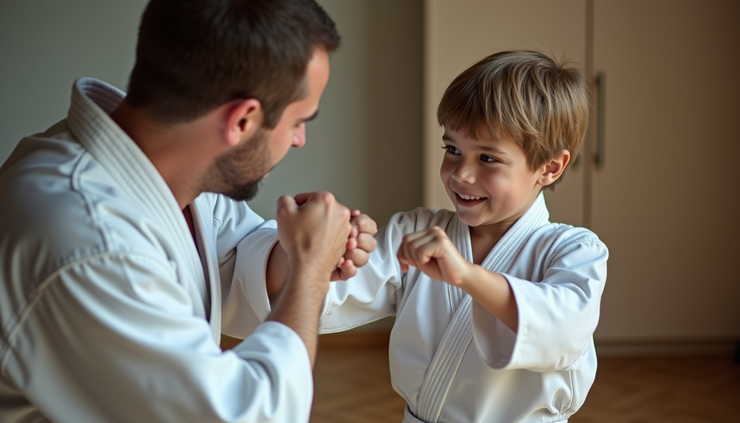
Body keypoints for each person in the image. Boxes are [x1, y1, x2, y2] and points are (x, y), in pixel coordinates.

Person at [0, 0, 378, 422]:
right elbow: (249, 415)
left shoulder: (165, 163)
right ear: (242, 121)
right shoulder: (91, 244)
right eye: (297, 121)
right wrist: (309, 272)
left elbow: (224, 257)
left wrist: (292, 256)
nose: (299, 140)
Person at [252, 50, 609, 422]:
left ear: (549, 168)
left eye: (487, 158)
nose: (461, 174)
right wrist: (327, 251)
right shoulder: (419, 232)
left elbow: (563, 330)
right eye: (453, 149)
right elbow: (333, 295)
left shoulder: (575, 251)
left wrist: (467, 276)